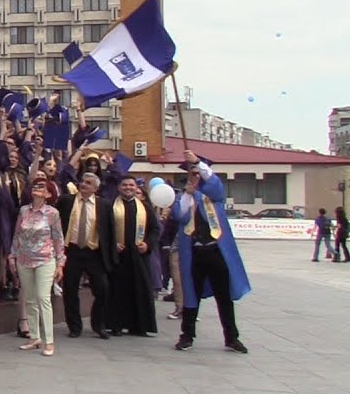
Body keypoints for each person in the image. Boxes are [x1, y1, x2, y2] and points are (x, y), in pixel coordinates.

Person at [171, 150, 251, 353]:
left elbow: (214, 184)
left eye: (198, 173)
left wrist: (197, 162)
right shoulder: (184, 198)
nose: (195, 177)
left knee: (223, 297)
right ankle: (187, 336)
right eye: (192, 173)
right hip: (194, 255)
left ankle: (231, 337)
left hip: (216, 253)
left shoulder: (214, 198)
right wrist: (188, 192)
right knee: (191, 296)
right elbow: (179, 216)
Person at [8, 179, 65, 356]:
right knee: (30, 299)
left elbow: (58, 238)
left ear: (48, 194)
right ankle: (34, 336)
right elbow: (17, 234)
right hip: (24, 258)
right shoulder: (24, 210)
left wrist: (60, 262)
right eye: (35, 186)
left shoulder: (52, 213)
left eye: (41, 187)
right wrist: (12, 255)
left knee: (43, 298)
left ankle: (49, 341)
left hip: (45, 259)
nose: (37, 189)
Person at [56, 172, 114, 340]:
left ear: (95, 188)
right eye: (82, 181)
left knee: (102, 289)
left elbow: (109, 232)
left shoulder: (104, 205)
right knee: (70, 290)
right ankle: (74, 326)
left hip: (93, 252)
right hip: (72, 251)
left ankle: (99, 325)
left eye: (88, 183)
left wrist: (110, 256)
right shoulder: (66, 201)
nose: (84, 184)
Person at [106, 178, 159, 337]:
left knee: (140, 290)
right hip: (118, 257)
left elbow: (155, 230)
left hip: (138, 257)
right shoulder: (110, 207)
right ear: (118, 187)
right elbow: (102, 229)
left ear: (136, 187)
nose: (128, 188)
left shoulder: (145, 208)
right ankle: (115, 325)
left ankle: (139, 326)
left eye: (131, 185)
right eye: (124, 185)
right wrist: (112, 244)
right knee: (117, 290)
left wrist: (147, 244)